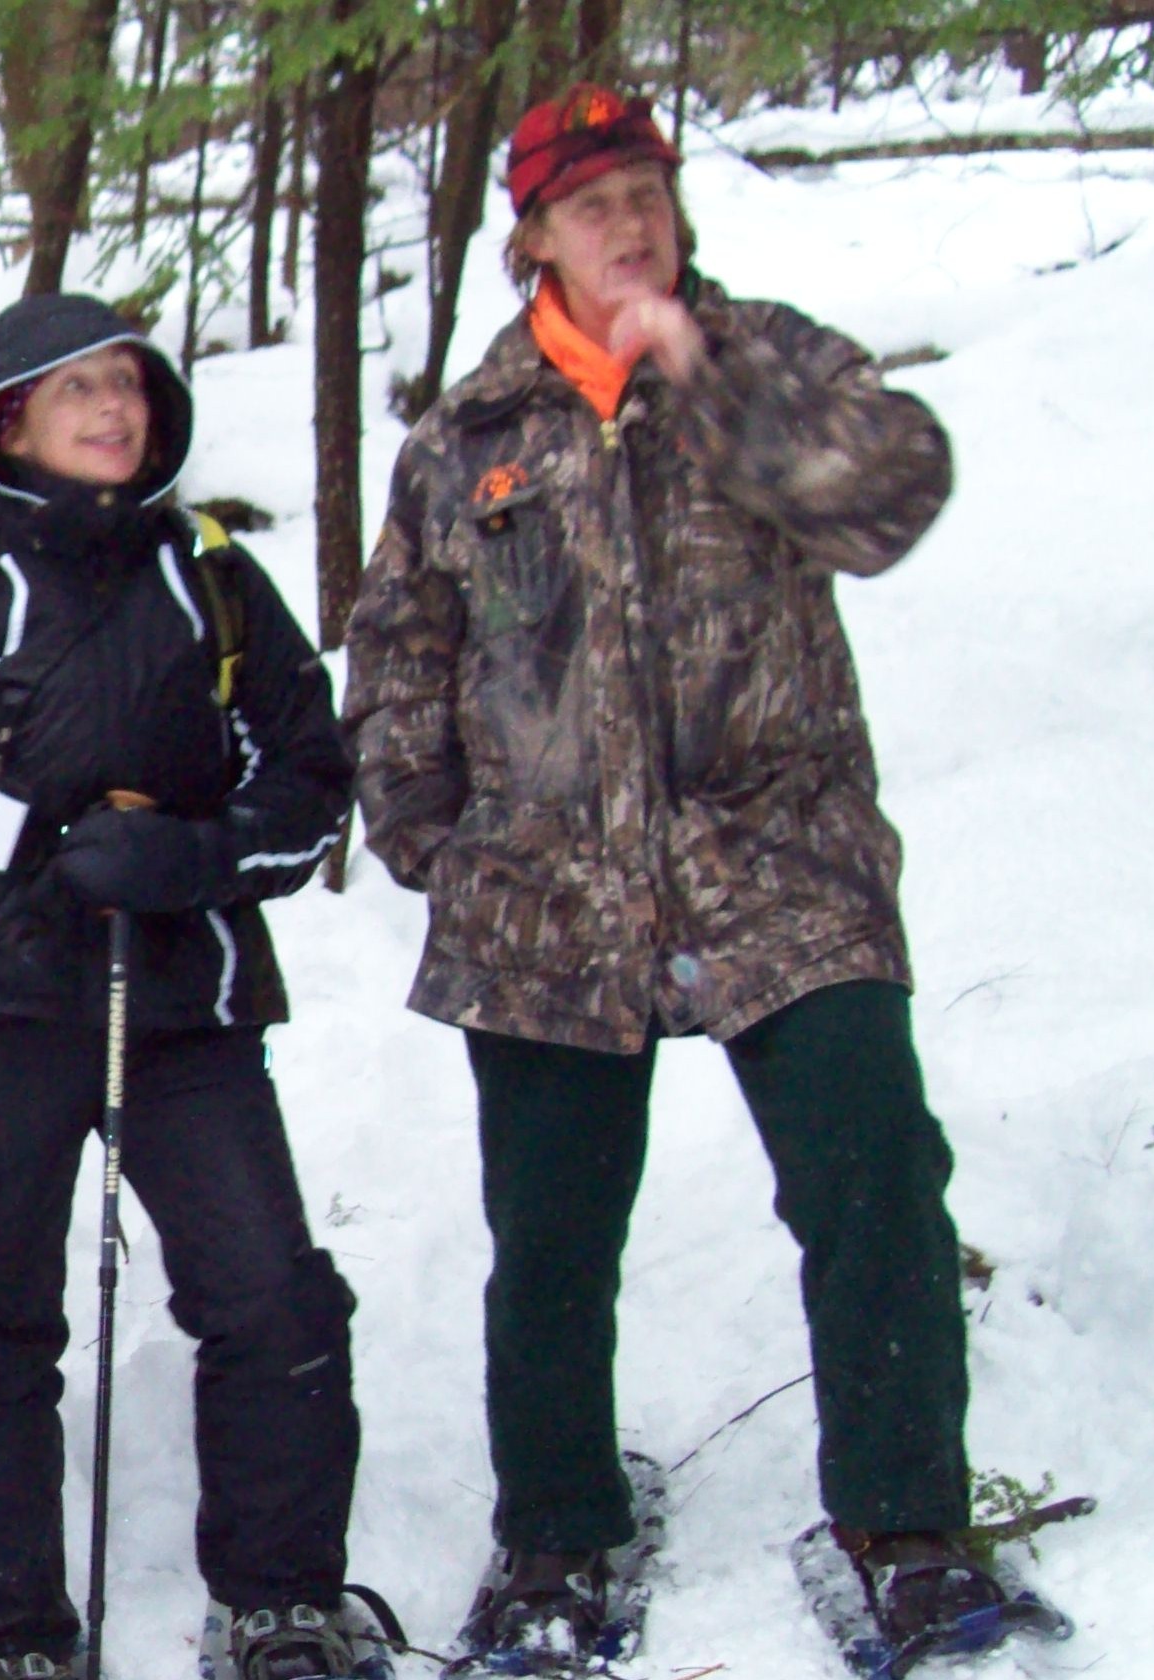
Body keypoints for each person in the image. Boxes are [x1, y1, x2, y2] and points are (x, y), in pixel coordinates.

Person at [342, 85, 993, 1665]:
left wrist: (714, 387)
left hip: (775, 864)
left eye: (643, 192)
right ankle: (555, 1539)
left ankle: (900, 1525)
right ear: (530, 243)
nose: (626, 224)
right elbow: (395, 647)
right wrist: (430, 836)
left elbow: (889, 499)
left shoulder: (767, 352)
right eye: (590, 206)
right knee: (550, 1237)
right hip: (544, 899)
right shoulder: (467, 435)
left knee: (872, 1176)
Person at [0, 296, 375, 1680]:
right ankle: (9, 1636)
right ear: (6, 420)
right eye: (74, 389)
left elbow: (310, 785)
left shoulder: (213, 577)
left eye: (127, 383)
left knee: (270, 1301)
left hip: (178, 1010)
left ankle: (276, 1598)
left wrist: (186, 856)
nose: (111, 409)